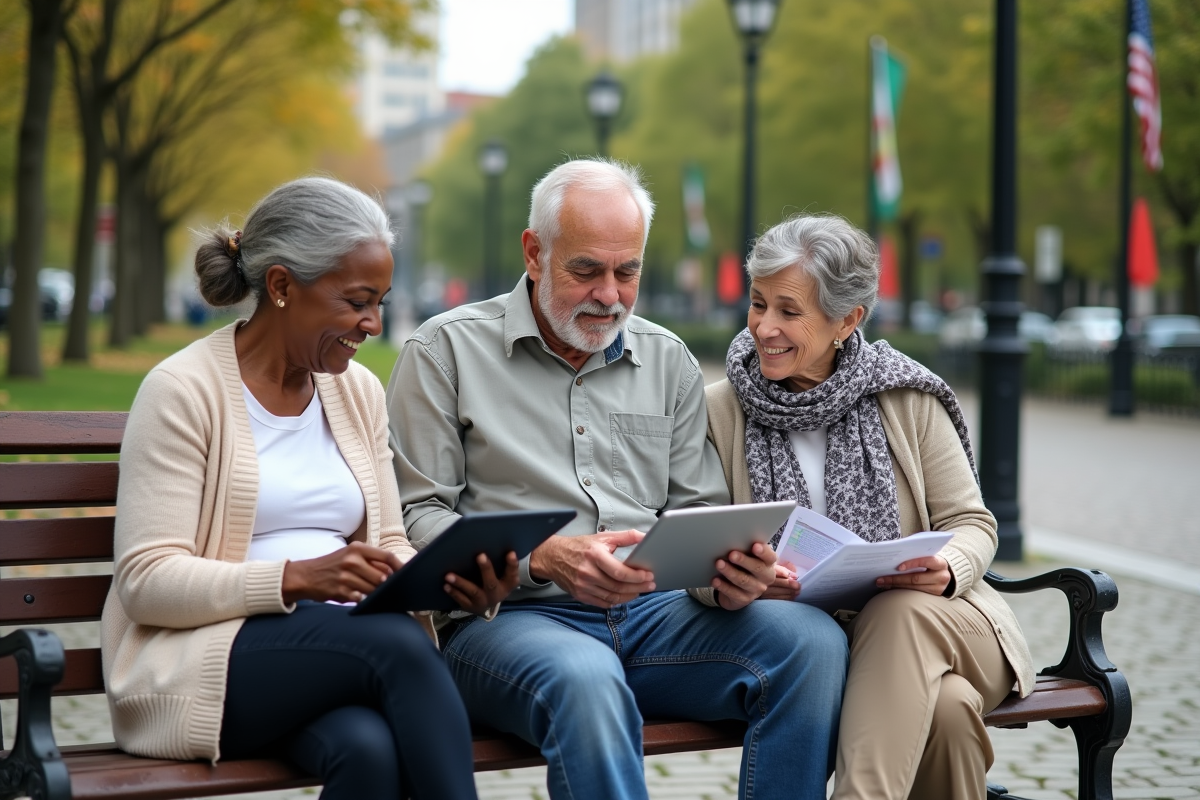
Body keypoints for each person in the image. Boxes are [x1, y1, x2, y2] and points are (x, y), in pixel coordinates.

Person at [387, 159, 847, 800]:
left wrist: (731, 578)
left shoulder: (668, 359)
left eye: (626, 271)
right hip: (505, 624)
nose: (610, 294)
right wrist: (544, 558)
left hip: (656, 615)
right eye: (586, 271)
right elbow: (417, 521)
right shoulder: (444, 352)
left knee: (812, 644)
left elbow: (700, 511)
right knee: (585, 677)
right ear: (534, 252)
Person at [101, 177, 503, 800]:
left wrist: (449, 583)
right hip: (201, 661)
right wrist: (296, 578)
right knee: (397, 645)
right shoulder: (181, 391)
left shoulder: (358, 392)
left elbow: (389, 540)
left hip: (338, 652)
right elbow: (147, 582)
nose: (374, 323)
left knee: (366, 751)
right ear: (283, 286)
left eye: (381, 301)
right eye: (357, 301)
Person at [704, 214, 1036, 800]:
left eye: (789, 310)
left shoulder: (906, 394)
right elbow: (699, 549)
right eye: (758, 305)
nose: (764, 327)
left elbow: (973, 523)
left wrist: (949, 567)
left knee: (897, 611)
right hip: (818, 647)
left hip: (949, 622)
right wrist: (742, 581)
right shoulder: (718, 409)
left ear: (847, 320)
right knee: (951, 712)